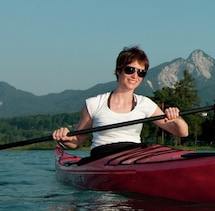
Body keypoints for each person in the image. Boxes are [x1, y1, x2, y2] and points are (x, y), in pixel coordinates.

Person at [52, 46, 189, 160]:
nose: (135, 76)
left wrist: (176, 119)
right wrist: (64, 137)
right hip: (102, 157)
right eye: (130, 70)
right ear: (119, 70)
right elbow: (77, 142)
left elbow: (183, 133)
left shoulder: (145, 104)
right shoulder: (93, 104)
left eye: (141, 72)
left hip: (134, 155)